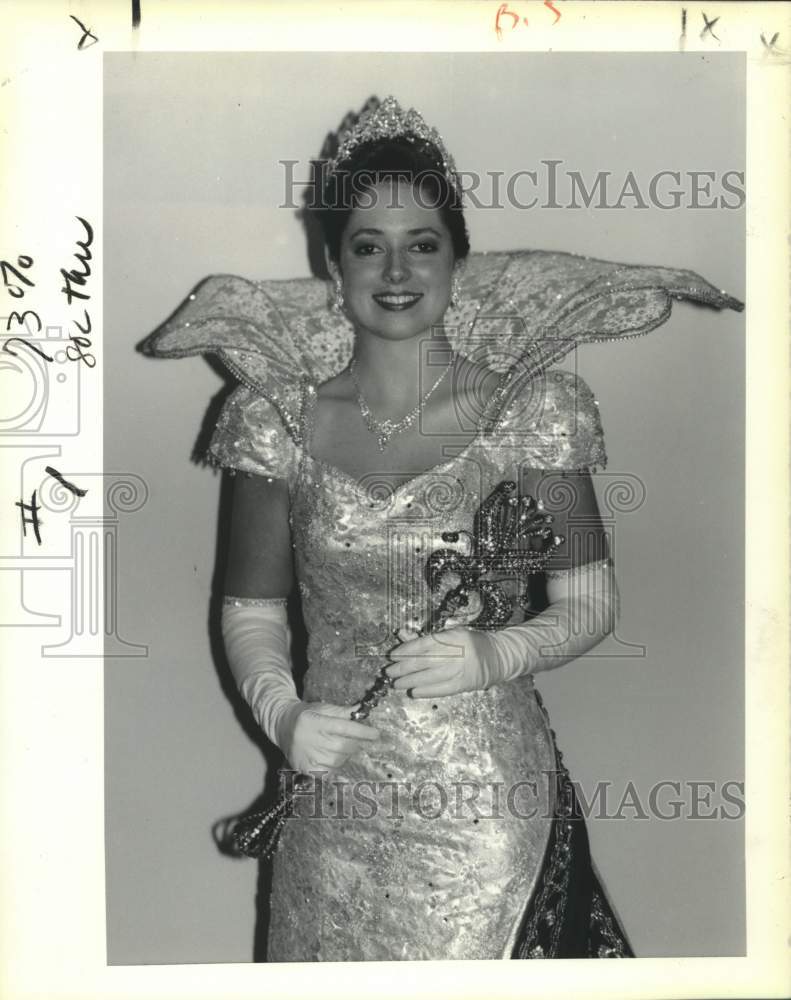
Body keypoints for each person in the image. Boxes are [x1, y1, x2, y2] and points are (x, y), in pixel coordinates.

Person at [142, 96, 743, 961]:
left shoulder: (530, 412)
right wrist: (281, 715)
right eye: (367, 245)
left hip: (483, 816)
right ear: (333, 262)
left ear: (457, 258)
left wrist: (496, 654)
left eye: (421, 243)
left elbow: (590, 599)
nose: (395, 270)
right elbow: (251, 609)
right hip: (331, 801)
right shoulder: (272, 419)